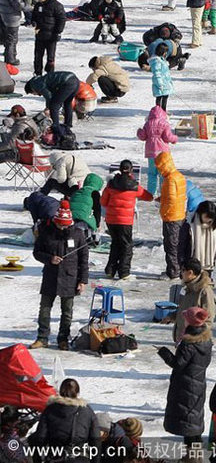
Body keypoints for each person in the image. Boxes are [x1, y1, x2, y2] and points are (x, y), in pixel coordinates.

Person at [30, 200, 87, 350]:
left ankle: (63, 339)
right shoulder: (46, 232)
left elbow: (84, 259)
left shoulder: (78, 234)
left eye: (64, 225)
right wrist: (50, 259)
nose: (62, 227)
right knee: (44, 309)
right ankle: (42, 338)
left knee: (67, 311)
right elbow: (37, 252)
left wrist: (83, 280)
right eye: (60, 224)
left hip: (70, 277)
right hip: (50, 276)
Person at [158, 306, 213, 453]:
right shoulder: (206, 339)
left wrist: (164, 352)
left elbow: (178, 364)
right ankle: (195, 453)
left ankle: (191, 456)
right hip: (198, 382)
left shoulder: (189, 343)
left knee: (188, 424)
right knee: (194, 419)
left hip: (186, 385)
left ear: (190, 321)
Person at [100, 160, 152, 280]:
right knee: (126, 246)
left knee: (115, 243)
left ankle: (110, 270)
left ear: (119, 169)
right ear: (131, 170)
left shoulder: (111, 184)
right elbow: (148, 196)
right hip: (125, 221)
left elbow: (103, 202)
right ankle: (124, 272)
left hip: (111, 220)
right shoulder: (134, 185)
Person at [29, 379, 99, 454]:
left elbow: (40, 437)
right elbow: (95, 439)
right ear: (77, 392)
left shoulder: (50, 409)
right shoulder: (87, 410)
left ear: (60, 391)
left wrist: (38, 457)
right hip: (80, 454)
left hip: (56, 454)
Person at [156, 152, 188, 279]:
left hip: (171, 217)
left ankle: (173, 272)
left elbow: (171, 200)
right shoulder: (179, 176)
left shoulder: (170, 179)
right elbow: (177, 196)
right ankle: (179, 269)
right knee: (179, 245)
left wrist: (164, 212)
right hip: (180, 214)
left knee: (171, 246)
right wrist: (162, 198)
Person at [170, 258, 216, 342]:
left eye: (183, 271)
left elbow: (208, 318)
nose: (181, 274)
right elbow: (183, 309)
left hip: (193, 340)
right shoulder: (187, 287)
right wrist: (172, 316)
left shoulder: (204, 291)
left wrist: (196, 338)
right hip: (182, 337)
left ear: (190, 273)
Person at [30, 0, 66, 75]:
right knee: (38, 56)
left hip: (51, 35)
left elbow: (61, 19)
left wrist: (57, 32)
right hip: (40, 34)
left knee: (50, 57)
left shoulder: (56, 5)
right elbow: (34, 17)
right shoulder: (38, 5)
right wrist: (34, 23)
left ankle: (50, 74)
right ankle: (37, 73)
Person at [189, 201, 216, 273]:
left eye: (211, 217)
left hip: (208, 265)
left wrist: (213, 260)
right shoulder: (191, 226)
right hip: (192, 266)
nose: (208, 219)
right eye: (206, 216)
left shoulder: (215, 228)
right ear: (200, 213)